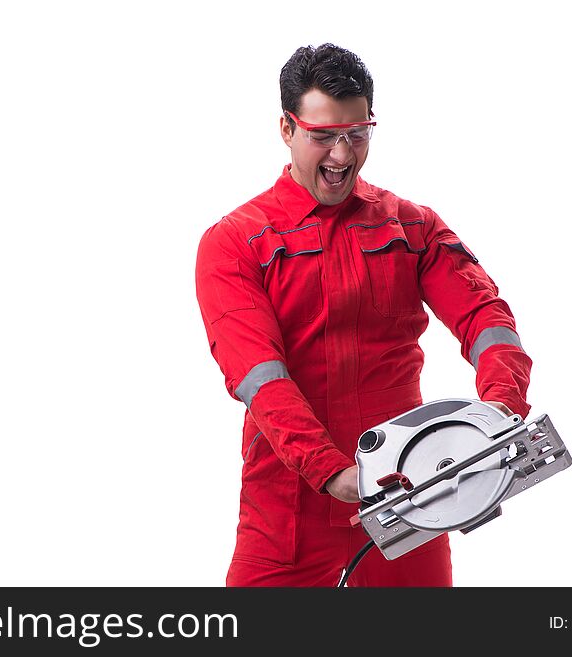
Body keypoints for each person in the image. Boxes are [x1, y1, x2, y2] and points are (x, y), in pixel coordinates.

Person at [194, 44, 532, 587]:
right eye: (323, 135)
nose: (342, 154)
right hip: (288, 511)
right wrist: (334, 473)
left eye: (357, 133)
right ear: (286, 127)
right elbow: (261, 380)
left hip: (410, 502)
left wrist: (496, 414)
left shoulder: (410, 226)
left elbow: (485, 317)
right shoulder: (235, 243)